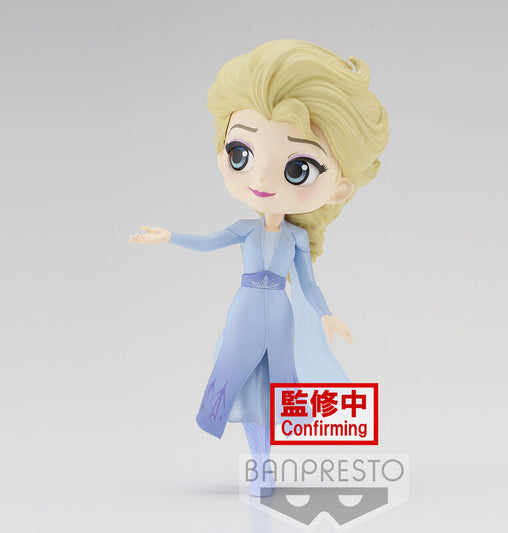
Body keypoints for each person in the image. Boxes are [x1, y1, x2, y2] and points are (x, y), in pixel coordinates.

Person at [129, 39, 389, 496]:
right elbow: (208, 242)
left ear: (339, 187)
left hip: (280, 313)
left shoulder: (296, 239)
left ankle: (264, 466)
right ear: (223, 155)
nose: (263, 180)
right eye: (241, 155)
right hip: (248, 308)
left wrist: (326, 314)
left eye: (298, 168)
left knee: (276, 386)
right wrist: (169, 236)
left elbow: (308, 282)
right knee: (240, 377)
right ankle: (258, 462)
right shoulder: (244, 231)